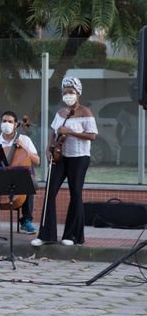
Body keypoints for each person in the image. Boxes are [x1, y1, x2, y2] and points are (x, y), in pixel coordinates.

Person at [32, 77, 98, 247]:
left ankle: (72, 235)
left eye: (71, 92)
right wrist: (48, 148)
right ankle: (46, 235)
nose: (68, 95)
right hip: (59, 156)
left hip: (79, 157)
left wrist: (70, 131)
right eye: (65, 92)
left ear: (78, 93)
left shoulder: (85, 112)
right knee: (49, 192)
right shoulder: (60, 112)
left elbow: (92, 135)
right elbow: (54, 132)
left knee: (75, 193)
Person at [0, 111, 40, 234]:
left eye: (10, 121)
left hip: (17, 179)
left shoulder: (25, 140)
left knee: (29, 182)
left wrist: (24, 147)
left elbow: (37, 160)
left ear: (16, 124)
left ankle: (26, 221)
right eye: (4, 121)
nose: (7, 124)